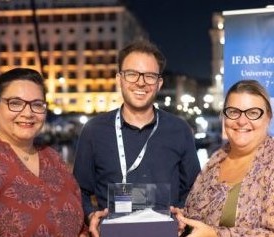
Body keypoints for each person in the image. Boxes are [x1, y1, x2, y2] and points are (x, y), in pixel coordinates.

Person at [73, 39, 201, 236]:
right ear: (119, 79)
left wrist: (184, 212)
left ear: (159, 83)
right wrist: (91, 216)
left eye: (149, 76)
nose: (141, 82)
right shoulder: (94, 131)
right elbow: (78, 190)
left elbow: (194, 189)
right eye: (132, 74)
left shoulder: (180, 129)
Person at [171, 80, 274, 237]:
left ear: (268, 117)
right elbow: (202, 221)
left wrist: (215, 235)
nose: (241, 121)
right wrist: (184, 220)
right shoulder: (215, 161)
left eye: (253, 113)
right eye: (234, 111)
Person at [0, 68, 87, 236]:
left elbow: (78, 220)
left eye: (37, 104)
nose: (28, 113)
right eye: (15, 103)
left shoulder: (52, 157)